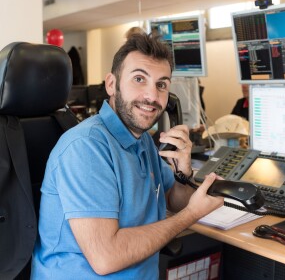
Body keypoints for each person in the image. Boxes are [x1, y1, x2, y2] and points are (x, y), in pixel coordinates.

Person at [31, 33, 223, 279]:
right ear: (111, 84)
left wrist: (182, 174)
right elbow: (106, 257)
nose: (152, 96)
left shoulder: (141, 139)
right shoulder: (86, 147)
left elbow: (175, 201)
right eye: (139, 79)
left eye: (161, 84)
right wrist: (191, 216)